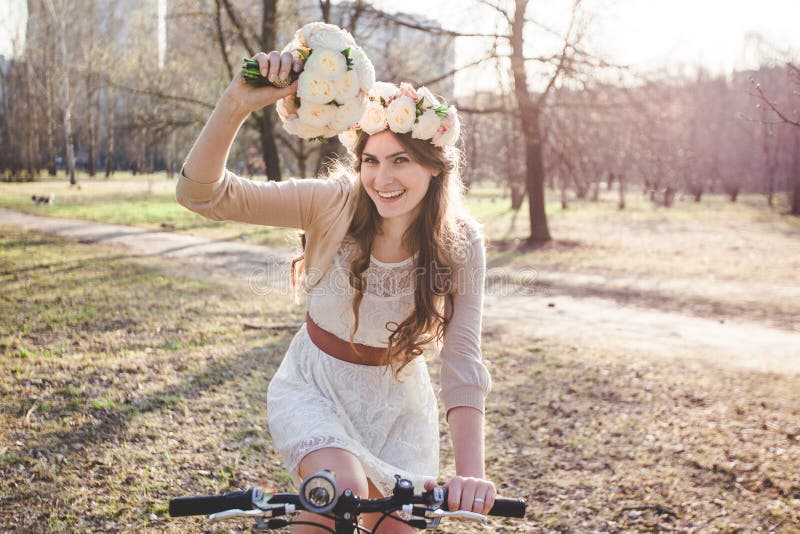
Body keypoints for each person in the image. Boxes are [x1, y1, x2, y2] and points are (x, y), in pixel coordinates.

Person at [176, 50, 493, 533]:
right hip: (316, 383)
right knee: (337, 492)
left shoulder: (461, 241)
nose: (381, 179)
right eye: (371, 160)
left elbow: (462, 357)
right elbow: (202, 194)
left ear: (434, 166)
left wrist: (472, 474)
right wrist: (236, 103)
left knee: (399, 527)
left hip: (399, 405)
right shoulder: (334, 203)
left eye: (400, 160)